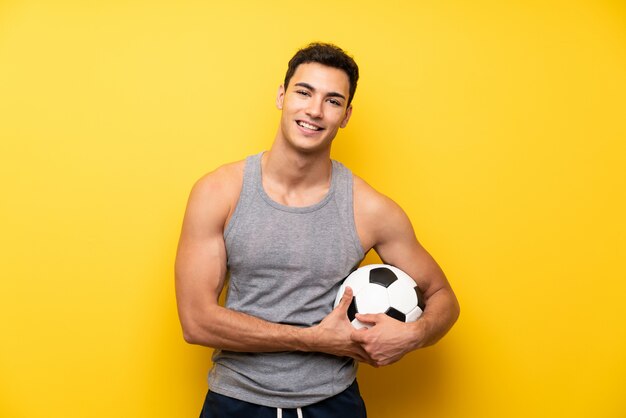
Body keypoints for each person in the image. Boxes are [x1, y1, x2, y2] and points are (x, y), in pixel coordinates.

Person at [175, 42, 460, 418]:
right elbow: (196, 322)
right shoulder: (218, 193)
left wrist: (415, 334)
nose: (314, 110)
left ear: (346, 115)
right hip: (235, 401)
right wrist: (313, 339)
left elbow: (443, 298)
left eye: (332, 100)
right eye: (304, 92)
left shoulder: (370, 209)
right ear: (281, 95)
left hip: (333, 404)